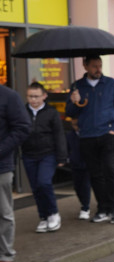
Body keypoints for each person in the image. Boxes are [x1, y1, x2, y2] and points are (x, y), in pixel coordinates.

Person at [67, 56, 114, 225]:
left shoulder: (110, 84)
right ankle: (102, 208)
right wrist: (74, 102)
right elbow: (71, 112)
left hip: (108, 135)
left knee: (111, 170)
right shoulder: (77, 86)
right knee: (96, 174)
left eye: (100, 66)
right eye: (94, 66)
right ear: (85, 66)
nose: (98, 69)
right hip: (87, 136)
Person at [22, 82, 67, 233]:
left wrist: (62, 157)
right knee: (35, 187)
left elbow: (59, 135)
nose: (33, 100)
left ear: (44, 96)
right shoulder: (22, 112)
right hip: (29, 155)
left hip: (48, 154)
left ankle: (53, 213)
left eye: (36, 96)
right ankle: (43, 216)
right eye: (30, 96)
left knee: (44, 182)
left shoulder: (51, 112)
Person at [0, 82, 30, 262]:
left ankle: (5, 255)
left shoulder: (9, 96)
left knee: (3, 212)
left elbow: (22, 127)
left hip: (1, 166)